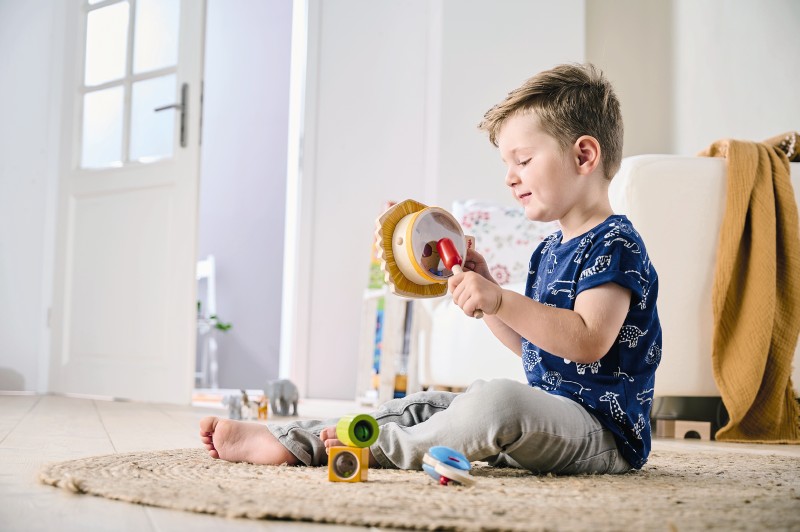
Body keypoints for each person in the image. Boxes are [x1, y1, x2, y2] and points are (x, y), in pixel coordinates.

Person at [200, 63, 662, 474]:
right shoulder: (549, 250)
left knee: (495, 401)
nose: (509, 176)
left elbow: (586, 341)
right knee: (430, 405)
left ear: (584, 156)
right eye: (507, 164)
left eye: (522, 160)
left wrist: (502, 299)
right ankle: (294, 441)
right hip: (545, 419)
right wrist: (490, 296)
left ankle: (374, 449)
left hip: (602, 436)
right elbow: (531, 346)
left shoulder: (615, 243)